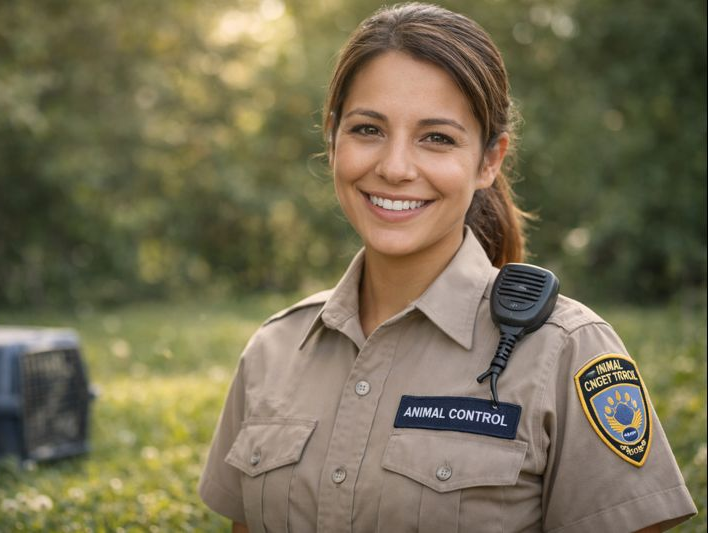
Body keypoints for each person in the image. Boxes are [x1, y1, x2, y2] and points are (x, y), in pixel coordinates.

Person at [198, 3, 697, 532]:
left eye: (436, 138)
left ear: (489, 160)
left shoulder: (567, 351)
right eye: (368, 129)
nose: (393, 167)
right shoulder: (273, 351)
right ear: (332, 138)